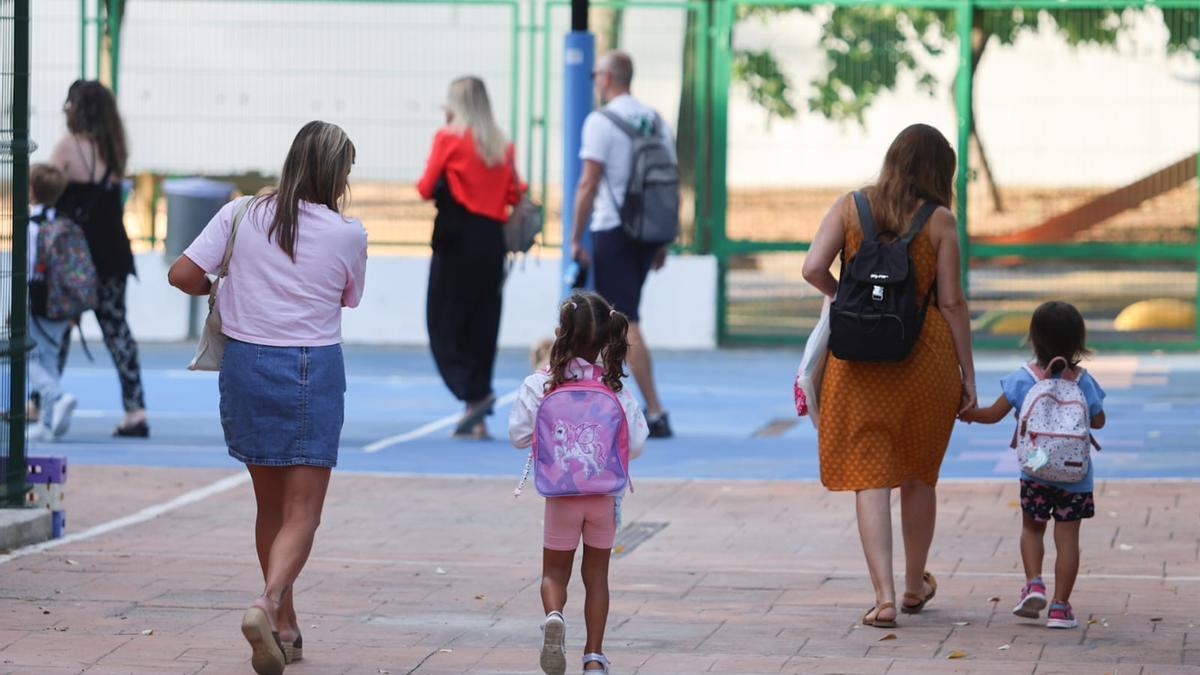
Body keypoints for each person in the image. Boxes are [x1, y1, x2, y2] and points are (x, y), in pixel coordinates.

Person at [168, 121, 367, 675]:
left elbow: (182, 273)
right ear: (334, 174)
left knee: (270, 507)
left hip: (245, 364)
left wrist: (226, 287)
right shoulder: (347, 232)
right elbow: (349, 298)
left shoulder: (239, 214)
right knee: (304, 511)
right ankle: (268, 601)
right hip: (311, 365)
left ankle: (284, 626)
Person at [801, 123, 976, 628]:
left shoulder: (850, 207)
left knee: (869, 476)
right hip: (926, 363)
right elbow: (952, 302)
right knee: (919, 474)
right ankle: (914, 585)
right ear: (940, 171)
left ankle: (881, 597)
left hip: (858, 362)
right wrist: (968, 373)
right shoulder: (940, 221)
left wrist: (849, 299)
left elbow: (813, 267)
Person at [508, 291, 649, 675]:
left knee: (554, 573)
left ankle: (554, 615)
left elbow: (518, 434)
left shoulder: (540, 385)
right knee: (597, 577)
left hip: (560, 496)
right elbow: (636, 444)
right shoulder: (616, 387)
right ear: (607, 338)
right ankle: (594, 657)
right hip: (604, 497)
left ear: (560, 333)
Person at [960, 301, 1105, 630]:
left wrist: (967, 413)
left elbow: (991, 415)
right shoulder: (1083, 380)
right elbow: (1098, 421)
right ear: (1078, 341)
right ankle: (1060, 607)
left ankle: (1034, 584)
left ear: (1033, 338)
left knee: (1031, 528)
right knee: (1068, 540)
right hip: (1075, 475)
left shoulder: (1021, 379)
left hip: (1035, 471)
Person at [570, 50, 675, 440]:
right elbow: (667, 184)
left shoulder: (601, 121)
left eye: (596, 73)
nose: (594, 79)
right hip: (646, 232)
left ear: (608, 77)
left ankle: (656, 409)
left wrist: (575, 236)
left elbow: (588, 182)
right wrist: (661, 239)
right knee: (616, 319)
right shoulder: (656, 120)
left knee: (624, 320)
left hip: (613, 229)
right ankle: (605, 397)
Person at [417, 76, 523, 440]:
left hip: (455, 237)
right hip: (490, 240)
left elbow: (425, 186)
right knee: (483, 323)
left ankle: (471, 394)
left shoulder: (448, 138)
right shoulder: (501, 143)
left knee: (442, 320)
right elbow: (515, 190)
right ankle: (475, 407)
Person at [49, 80, 148, 437]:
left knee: (56, 327)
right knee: (117, 330)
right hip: (112, 254)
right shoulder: (114, 149)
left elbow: (46, 193)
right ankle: (135, 410)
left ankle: (39, 400)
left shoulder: (67, 148)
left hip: (74, 257)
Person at [26, 164, 78, 442]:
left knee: (27, 357)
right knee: (49, 359)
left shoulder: (30, 226)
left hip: (37, 299)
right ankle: (46, 425)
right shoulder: (65, 224)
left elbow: (25, 267)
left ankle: (57, 396)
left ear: (31, 190)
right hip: (63, 301)